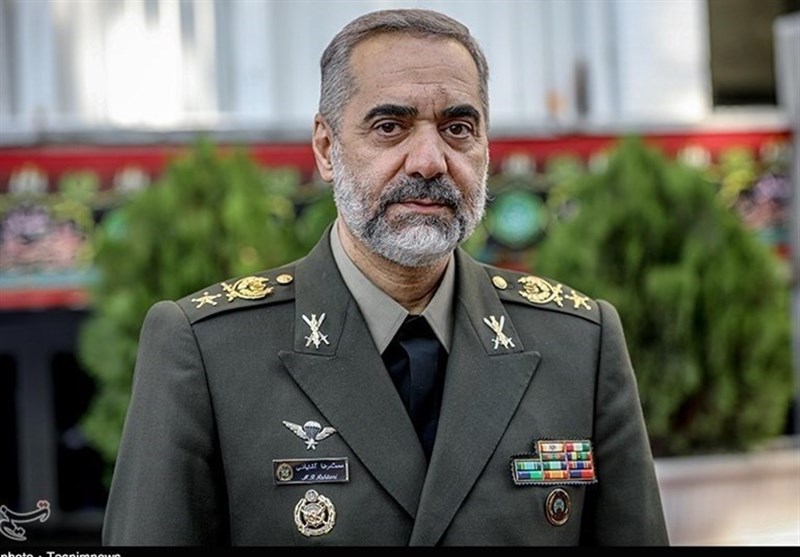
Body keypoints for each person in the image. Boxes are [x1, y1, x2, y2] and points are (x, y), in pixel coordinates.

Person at [102, 8, 670, 546]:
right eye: (390, 127)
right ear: (326, 149)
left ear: (485, 146)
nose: (429, 161)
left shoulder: (578, 343)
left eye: (458, 128)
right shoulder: (210, 350)